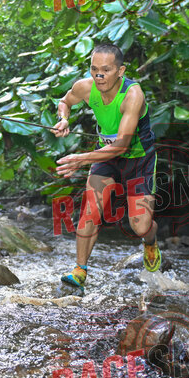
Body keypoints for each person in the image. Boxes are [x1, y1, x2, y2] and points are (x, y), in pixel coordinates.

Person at [53, 43, 159, 291]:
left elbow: (122, 145)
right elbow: (64, 101)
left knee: (140, 225)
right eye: (94, 69)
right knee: (90, 209)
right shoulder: (85, 87)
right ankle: (79, 270)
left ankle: (151, 242)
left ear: (120, 71)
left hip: (138, 159)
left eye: (106, 70)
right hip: (105, 156)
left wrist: (82, 159)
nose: (99, 75)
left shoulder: (133, 95)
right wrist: (63, 119)